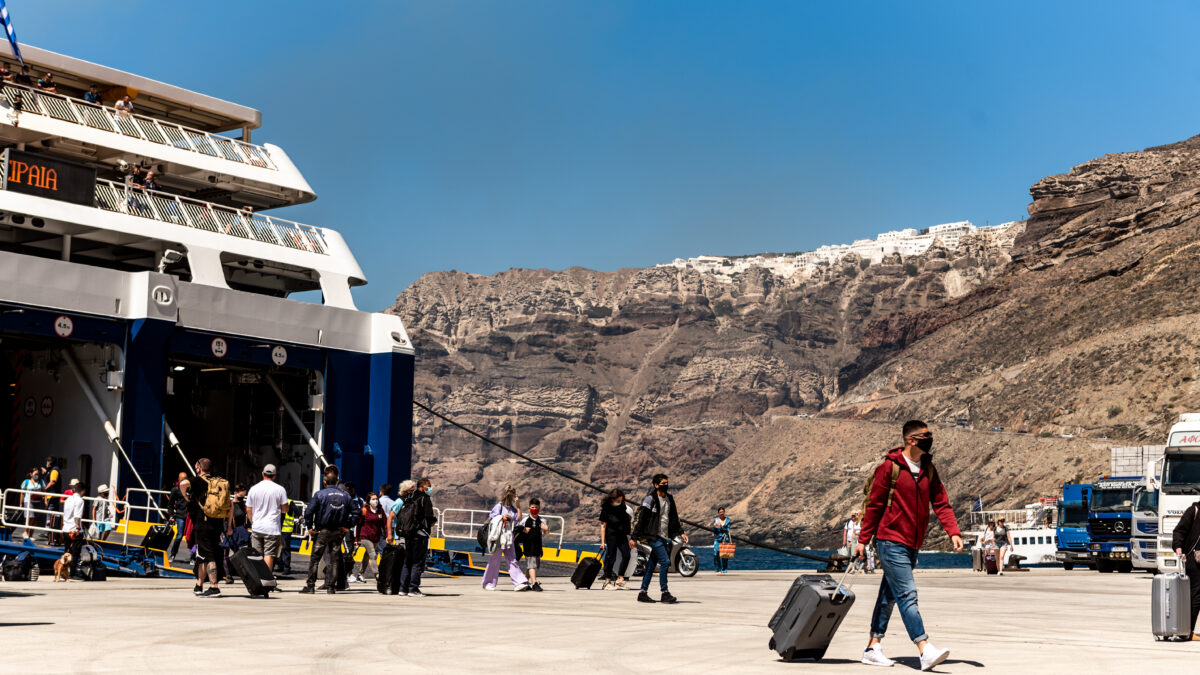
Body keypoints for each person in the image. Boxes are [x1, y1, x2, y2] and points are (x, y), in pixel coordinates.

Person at [856, 420, 962, 671]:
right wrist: (862, 540)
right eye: (926, 435)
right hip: (890, 541)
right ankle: (924, 648)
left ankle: (872, 648)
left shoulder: (928, 468)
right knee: (907, 594)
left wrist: (953, 532)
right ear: (911, 439)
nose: (930, 438)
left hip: (912, 543)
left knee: (888, 596)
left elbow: (941, 502)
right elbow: (874, 506)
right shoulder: (889, 468)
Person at [631, 473, 687, 604]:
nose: (666, 486)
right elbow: (642, 519)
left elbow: (674, 518)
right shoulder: (650, 499)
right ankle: (665, 593)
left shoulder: (669, 499)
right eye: (663, 484)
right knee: (666, 562)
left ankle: (642, 593)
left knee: (651, 566)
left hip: (664, 536)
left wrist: (681, 532)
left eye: (667, 483)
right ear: (656, 485)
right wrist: (634, 537)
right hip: (653, 536)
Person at [300, 466, 354, 595]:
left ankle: (310, 586)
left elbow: (308, 512)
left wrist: (310, 528)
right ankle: (331, 587)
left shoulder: (320, 494)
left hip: (322, 531)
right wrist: (348, 525)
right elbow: (356, 512)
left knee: (315, 559)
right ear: (336, 481)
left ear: (324, 482)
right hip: (337, 531)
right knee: (334, 559)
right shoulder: (345, 495)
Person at [188, 458, 234, 598]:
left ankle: (214, 587)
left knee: (209, 556)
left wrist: (185, 496)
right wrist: (229, 525)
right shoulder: (219, 482)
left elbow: (183, 483)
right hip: (217, 524)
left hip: (203, 525)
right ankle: (199, 585)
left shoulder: (197, 481)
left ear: (198, 467)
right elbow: (230, 505)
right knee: (202, 556)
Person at [482, 485, 531, 592]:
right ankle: (488, 582)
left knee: (512, 559)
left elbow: (518, 519)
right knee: (494, 559)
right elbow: (492, 518)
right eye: (514, 494)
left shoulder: (512, 509)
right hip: (499, 537)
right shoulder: (499, 506)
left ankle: (519, 582)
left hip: (508, 536)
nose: (515, 496)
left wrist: (518, 506)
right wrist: (502, 517)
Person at [396, 478, 436, 597]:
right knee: (417, 562)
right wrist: (432, 522)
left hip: (408, 534)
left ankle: (402, 588)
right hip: (420, 535)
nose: (430, 488)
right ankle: (413, 588)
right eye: (428, 486)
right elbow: (429, 517)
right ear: (422, 487)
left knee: (407, 561)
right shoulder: (425, 498)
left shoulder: (409, 497)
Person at [245, 464, 289, 573]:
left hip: (257, 527)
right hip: (272, 528)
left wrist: (252, 522)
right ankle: (266, 582)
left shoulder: (253, 489)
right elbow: (285, 510)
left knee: (257, 555)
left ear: (262, 474)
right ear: (274, 476)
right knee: (269, 554)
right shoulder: (280, 490)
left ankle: (258, 581)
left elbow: (248, 509)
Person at [1171, 499, 1200, 641]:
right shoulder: (1194, 510)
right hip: (1194, 560)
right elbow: (1178, 531)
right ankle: (1187, 631)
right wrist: (1178, 549)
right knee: (1196, 596)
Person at [599, 489, 632, 590]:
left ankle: (620, 580)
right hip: (611, 535)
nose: (619, 502)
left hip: (622, 535)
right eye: (618, 500)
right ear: (612, 499)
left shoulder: (622, 506)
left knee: (627, 555)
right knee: (611, 557)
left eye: (621, 500)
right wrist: (603, 542)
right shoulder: (606, 509)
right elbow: (603, 526)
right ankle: (607, 581)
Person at [353, 492, 386, 584]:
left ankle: (360, 574)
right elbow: (358, 525)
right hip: (365, 536)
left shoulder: (380, 510)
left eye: (376, 499)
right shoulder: (364, 510)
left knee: (367, 556)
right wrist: (356, 539)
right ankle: (377, 575)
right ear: (368, 501)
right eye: (373, 499)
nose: (375, 500)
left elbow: (384, 523)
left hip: (376, 536)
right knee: (372, 554)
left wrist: (387, 535)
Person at [518, 497, 549, 592]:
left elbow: (546, 533)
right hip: (528, 546)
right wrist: (523, 531)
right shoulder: (525, 520)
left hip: (538, 546)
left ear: (539, 508)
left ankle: (523, 583)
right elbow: (517, 531)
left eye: (536, 507)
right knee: (532, 565)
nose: (534, 509)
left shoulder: (542, 520)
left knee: (532, 566)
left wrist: (546, 529)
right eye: (532, 507)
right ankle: (534, 583)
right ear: (529, 508)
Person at [167, 472, 191, 562]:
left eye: (185, 479)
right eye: (181, 479)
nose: (183, 480)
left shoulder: (191, 490)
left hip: (190, 517)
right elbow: (170, 505)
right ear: (178, 479)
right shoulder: (175, 490)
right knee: (179, 536)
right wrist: (171, 516)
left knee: (191, 537)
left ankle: (193, 557)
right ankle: (173, 554)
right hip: (180, 516)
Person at [19, 467, 44, 541]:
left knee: (35, 519)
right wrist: (21, 503)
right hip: (28, 501)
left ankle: (31, 535)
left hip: (38, 501)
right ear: (31, 474)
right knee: (30, 517)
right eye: (35, 474)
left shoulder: (41, 481)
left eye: (38, 474)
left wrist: (45, 500)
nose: (37, 475)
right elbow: (22, 493)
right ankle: (25, 532)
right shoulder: (26, 482)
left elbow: (44, 490)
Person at [712, 507, 732, 574]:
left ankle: (723, 570)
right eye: (720, 512)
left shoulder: (728, 520)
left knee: (724, 555)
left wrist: (721, 526)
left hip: (725, 538)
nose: (721, 513)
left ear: (724, 512)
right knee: (716, 553)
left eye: (722, 512)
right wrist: (714, 527)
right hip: (717, 538)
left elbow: (728, 530)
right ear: (718, 513)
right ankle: (717, 569)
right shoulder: (716, 520)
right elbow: (714, 530)